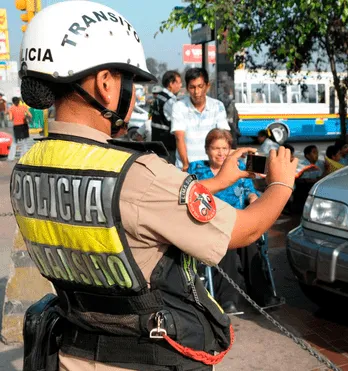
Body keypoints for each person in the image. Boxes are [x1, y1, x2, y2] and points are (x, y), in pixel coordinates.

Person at [13, 2, 298, 371]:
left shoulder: (28, 166)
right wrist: (281, 183)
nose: (132, 92)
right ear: (105, 84)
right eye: (128, 80)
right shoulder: (137, 174)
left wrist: (216, 182)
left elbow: (138, 214)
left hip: (73, 350)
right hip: (147, 357)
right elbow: (244, 230)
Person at [188, 129, 283, 313]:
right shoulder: (197, 168)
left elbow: (249, 190)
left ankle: (262, 294)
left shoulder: (239, 166)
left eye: (224, 148)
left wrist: (254, 198)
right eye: (215, 148)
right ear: (207, 149)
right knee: (227, 245)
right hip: (211, 224)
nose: (221, 153)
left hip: (238, 220)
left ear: (230, 149)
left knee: (249, 242)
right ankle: (228, 299)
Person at [172, 68, 230, 171]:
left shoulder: (217, 106)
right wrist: (186, 165)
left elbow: (224, 136)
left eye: (200, 86)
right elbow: (179, 138)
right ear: (187, 88)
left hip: (211, 167)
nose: (196, 91)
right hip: (187, 167)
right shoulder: (179, 106)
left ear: (207, 86)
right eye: (192, 87)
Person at [150, 71, 182, 164]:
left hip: (158, 143)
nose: (180, 85)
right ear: (171, 84)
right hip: (168, 146)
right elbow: (177, 122)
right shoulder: (170, 101)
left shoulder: (159, 97)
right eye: (179, 82)